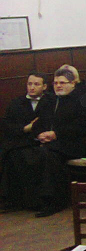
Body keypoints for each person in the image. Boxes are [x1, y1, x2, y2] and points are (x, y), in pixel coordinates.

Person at [24, 69, 86, 216]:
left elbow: (85, 126)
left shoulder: (83, 100)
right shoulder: (49, 100)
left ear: (73, 84)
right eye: (56, 83)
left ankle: (54, 201)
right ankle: (34, 200)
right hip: (51, 143)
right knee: (30, 153)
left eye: (62, 83)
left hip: (75, 144)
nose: (58, 86)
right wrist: (40, 134)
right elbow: (39, 122)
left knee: (49, 154)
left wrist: (56, 134)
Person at [0, 72, 52, 211]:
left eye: (36, 84)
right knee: (13, 155)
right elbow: (7, 126)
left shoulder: (51, 102)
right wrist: (25, 128)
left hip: (45, 141)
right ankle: (16, 200)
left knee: (43, 156)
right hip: (22, 141)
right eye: (29, 84)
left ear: (44, 86)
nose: (32, 87)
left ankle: (42, 201)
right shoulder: (16, 103)